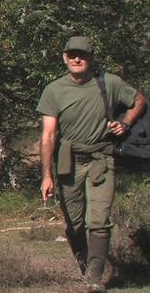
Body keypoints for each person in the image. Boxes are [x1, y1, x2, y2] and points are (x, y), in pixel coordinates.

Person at [37, 36, 145, 293]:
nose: (77, 59)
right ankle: (86, 268)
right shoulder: (54, 90)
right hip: (69, 162)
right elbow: (48, 135)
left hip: (102, 159)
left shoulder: (110, 83)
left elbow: (139, 99)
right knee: (74, 224)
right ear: (64, 57)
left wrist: (126, 123)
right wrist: (46, 176)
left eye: (82, 55)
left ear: (90, 58)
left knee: (99, 220)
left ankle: (95, 280)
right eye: (72, 54)